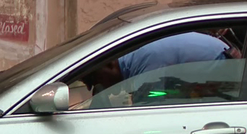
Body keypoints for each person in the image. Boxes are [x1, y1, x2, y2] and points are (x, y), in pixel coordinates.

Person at [79, 32, 231, 102]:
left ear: (110, 64)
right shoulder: (134, 58)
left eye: (97, 80)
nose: (100, 87)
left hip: (221, 68)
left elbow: (149, 104)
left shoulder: (144, 60)